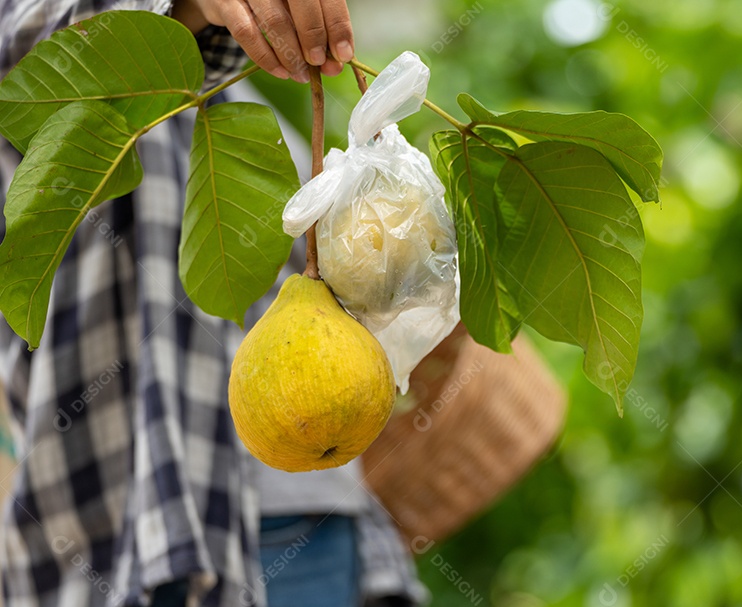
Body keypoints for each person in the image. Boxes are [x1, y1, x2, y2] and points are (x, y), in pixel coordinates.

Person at [0, 0, 427, 605]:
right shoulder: (89, 69)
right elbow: (26, 45)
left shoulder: (251, 117)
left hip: (309, 514)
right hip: (135, 508)